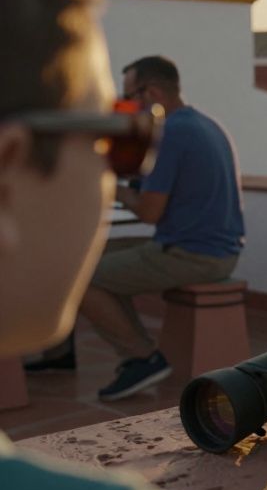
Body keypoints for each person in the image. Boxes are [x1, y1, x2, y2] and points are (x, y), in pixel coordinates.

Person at [0, 0, 174, 490]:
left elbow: (149, 208)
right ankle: (142, 357)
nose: (117, 169)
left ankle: (140, 357)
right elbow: (150, 207)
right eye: (121, 136)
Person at [28, 55, 246, 402]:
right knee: (87, 251)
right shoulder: (203, 124)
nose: (126, 106)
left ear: (153, 92)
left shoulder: (171, 133)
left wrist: (111, 187)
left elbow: (148, 213)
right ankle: (61, 354)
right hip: (216, 248)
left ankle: (142, 358)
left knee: (80, 275)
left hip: (193, 254)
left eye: (130, 96)